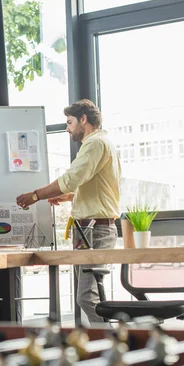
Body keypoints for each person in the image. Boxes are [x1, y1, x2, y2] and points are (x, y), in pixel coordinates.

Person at [16, 99, 121, 324]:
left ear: (83, 119)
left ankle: (112, 344)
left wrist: (35, 195)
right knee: (87, 295)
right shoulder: (102, 143)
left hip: (96, 230)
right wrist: (69, 197)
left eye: (70, 122)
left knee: (86, 297)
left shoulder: (94, 144)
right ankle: (103, 343)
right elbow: (98, 187)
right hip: (89, 230)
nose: (67, 128)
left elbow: (71, 179)